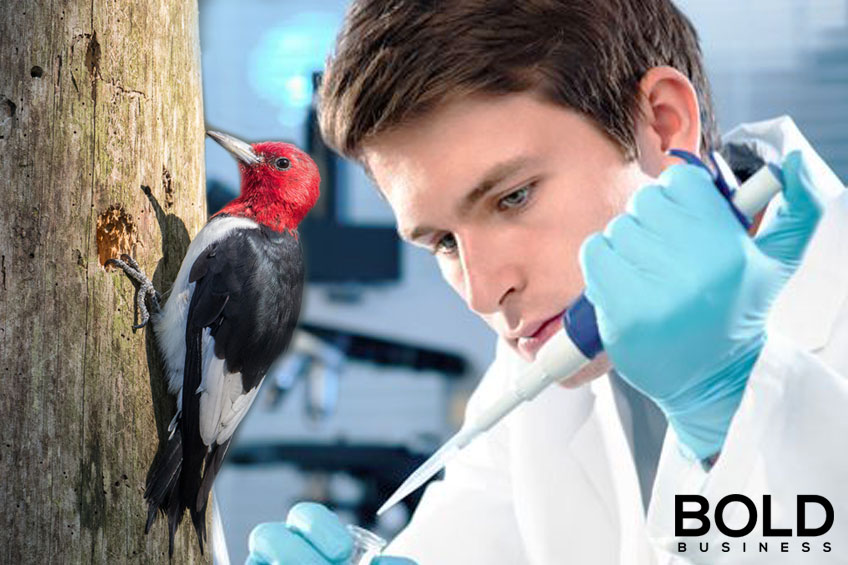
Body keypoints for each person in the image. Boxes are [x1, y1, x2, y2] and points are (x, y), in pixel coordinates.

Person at [243, 0, 848, 563]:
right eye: (444, 242)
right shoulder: (534, 387)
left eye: (514, 197)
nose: (483, 292)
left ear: (662, 127)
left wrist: (735, 413)